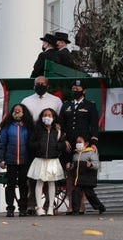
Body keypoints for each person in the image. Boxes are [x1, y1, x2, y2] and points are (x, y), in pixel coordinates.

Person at [60, 80, 100, 214]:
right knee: (70, 174)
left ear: (84, 90)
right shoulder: (66, 105)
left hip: (83, 145)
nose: (75, 90)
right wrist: (63, 139)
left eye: (77, 88)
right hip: (69, 145)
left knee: (81, 175)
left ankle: (81, 205)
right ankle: (71, 205)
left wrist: (94, 143)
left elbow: (94, 126)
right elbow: (61, 124)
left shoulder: (90, 106)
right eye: (73, 88)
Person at [28, 108, 66, 216]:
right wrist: (38, 145)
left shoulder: (57, 130)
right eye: (45, 115)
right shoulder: (37, 129)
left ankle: (50, 208)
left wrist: (57, 147)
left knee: (51, 183)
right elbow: (30, 143)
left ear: (53, 117)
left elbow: (63, 144)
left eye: (49, 115)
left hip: (52, 160)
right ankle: (39, 208)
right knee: (39, 182)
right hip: (40, 159)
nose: (47, 117)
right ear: (42, 117)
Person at [0, 103, 32, 217]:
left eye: (19, 110)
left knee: (23, 185)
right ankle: (10, 209)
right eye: (15, 110)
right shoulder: (7, 127)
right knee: (10, 185)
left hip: (25, 161)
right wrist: (1, 159)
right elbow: (2, 143)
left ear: (23, 112)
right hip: (11, 161)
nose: (17, 112)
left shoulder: (28, 126)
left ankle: (23, 209)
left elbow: (31, 144)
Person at [67, 135, 105, 215]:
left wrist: (90, 165)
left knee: (90, 195)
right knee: (76, 193)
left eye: (80, 142)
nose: (78, 144)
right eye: (77, 142)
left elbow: (97, 165)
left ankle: (100, 207)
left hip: (88, 179)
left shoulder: (91, 153)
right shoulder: (75, 154)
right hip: (78, 179)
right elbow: (73, 166)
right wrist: (70, 166)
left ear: (86, 143)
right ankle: (75, 211)